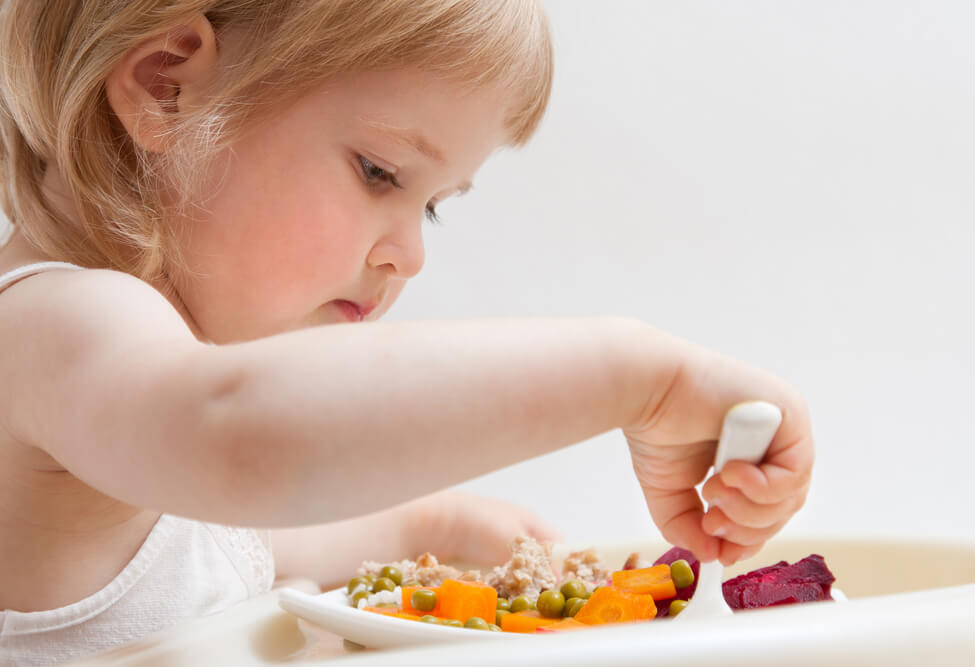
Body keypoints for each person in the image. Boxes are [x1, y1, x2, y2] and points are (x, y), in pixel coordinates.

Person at [0, 0, 814, 664]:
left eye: (430, 205)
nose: (411, 255)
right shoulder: (52, 322)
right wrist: (640, 379)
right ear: (164, 85)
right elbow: (240, 437)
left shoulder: (131, 413)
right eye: (380, 173)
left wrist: (435, 525)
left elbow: (230, 544)